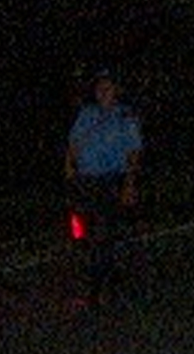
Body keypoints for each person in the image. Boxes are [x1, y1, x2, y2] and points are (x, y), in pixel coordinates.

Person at [65, 69, 143, 298]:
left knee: (104, 229)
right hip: (87, 179)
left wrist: (129, 183)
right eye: (99, 89)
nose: (102, 93)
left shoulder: (125, 117)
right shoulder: (87, 114)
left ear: (116, 92)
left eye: (107, 89)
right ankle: (98, 266)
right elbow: (73, 144)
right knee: (83, 227)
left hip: (111, 179)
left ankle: (99, 280)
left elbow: (134, 152)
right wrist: (69, 169)